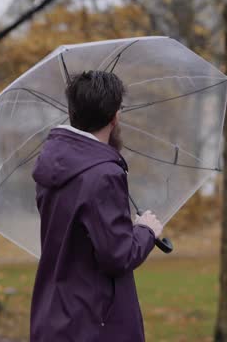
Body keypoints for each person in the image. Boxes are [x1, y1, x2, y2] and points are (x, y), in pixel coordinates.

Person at [30, 70, 163, 342]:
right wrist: (146, 231)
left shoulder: (52, 163)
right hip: (94, 323)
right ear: (115, 116)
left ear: (72, 112)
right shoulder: (103, 175)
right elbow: (117, 255)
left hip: (54, 315)